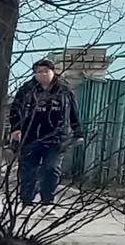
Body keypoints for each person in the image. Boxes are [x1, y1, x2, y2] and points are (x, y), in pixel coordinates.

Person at [7, 58, 82, 206]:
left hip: (56, 137)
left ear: (53, 72)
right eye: (39, 72)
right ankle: (27, 201)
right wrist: (16, 128)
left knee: (51, 168)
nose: (42, 74)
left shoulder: (64, 90)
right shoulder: (27, 89)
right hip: (30, 136)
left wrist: (77, 132)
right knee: (28, 170)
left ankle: (47, 201)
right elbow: (15, 109)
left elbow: (73, 112)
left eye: (45, 71)